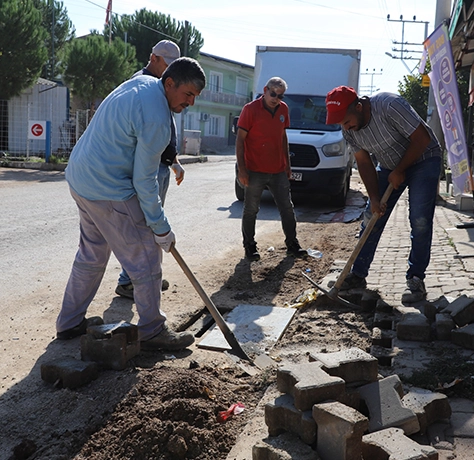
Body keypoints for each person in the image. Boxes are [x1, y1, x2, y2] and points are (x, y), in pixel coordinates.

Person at [55, 57, 206, 351]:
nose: (190, 103)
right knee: (147, 256)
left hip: (81, 177)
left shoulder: (143, 83)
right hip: (108, 187)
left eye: (195, 97)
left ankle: (70, 322)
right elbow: (145, 181)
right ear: (170, 83)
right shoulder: (157, 119)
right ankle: (152, 330)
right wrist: (160, 228)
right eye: (187, 94)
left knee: (91, 254)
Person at [325, 86, 442, 303]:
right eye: (340, 123)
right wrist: (375, 199)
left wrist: (400, 171)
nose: (345, 126)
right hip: (389, 166)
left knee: (420, 219)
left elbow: (423, 138)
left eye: (346, 120)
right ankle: (357, 274)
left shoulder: (389, 105)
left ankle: (416, 279)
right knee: (372, 216)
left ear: (358, 106)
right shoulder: (348, 129)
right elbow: (363, 162)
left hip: (424, 159)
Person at [116, 40, 184, 300]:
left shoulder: (161, 85)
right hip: (146, 167)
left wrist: (173, 159)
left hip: (159, 164)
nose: (170, 73)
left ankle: (142, 276)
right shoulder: (142, 84)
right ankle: (131, 280)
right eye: (167, 66)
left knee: (148, 226)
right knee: (144, 226)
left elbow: (166, 127)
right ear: (154, 58)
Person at [236, 77, 307, 261]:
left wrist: (288, 165)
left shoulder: (283, 109)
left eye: (280, 95)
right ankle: (250, 247)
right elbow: (240, 140)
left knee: (287, 209)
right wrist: (242, 170)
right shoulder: (250, 109)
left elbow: (283, 137)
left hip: (278, 171)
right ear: (265, 90)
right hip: (254, 170)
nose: (275, 98)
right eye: (273, 93)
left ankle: (292, 245)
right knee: (251, 210)